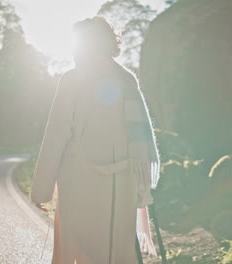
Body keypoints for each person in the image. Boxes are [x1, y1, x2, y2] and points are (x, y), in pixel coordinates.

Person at [30, 16, 160, 264]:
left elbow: (55, 136)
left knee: (78, 248)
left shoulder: (72, 80)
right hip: (121, 185)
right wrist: (142, 186)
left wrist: (41, 190)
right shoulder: (127, 80)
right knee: (118, 250)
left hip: (78, 182)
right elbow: (138, 138)